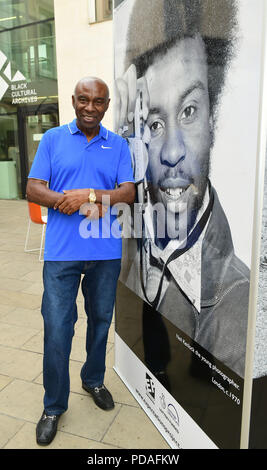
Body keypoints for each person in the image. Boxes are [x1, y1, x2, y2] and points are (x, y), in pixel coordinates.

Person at [115, 0, 250, 378]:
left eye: (189, 111)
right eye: (155, 125)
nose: (172, 152)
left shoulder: (238, 319)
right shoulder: (135, 244)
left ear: (214, 120)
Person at [26, 76, 135, 445]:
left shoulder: (117, 145)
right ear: (74, 101)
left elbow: (128, 193)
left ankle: (93, 380)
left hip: (105, 254)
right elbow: (33, 187)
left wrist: (90, 195)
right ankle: (54, 406)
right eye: (84, 100)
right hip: (61, 256)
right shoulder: (54, 139)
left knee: (101, 321)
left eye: (99, 101)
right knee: (58, 329)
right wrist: (65, 201)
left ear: (107, 105)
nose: (91, 107)